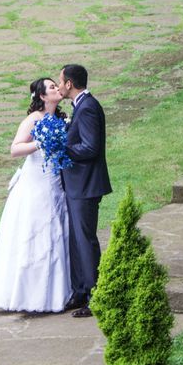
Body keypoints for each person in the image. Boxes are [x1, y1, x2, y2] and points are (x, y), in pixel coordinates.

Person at [0, 78, 72, 313]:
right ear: (43, 97)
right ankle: (28, 295)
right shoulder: (33, 120)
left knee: (56, 229)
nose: (57, 89)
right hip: (35, 181)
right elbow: (15, 149)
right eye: (52, 87)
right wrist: (38, 143)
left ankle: (55, 293)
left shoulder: (61, 119)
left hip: (54, 179)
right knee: (35, 229)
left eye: (57, 85)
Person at [57, 64, 112, 318]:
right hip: (77, 185)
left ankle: (95, 295)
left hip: (86, 185)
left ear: (69, 83)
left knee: (85, 241)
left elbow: (90, 148)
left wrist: (62, 150)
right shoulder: (81, 105)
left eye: (60, 81)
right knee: (76, 240)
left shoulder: (89, 107)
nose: (58, 86)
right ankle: (80, 291)